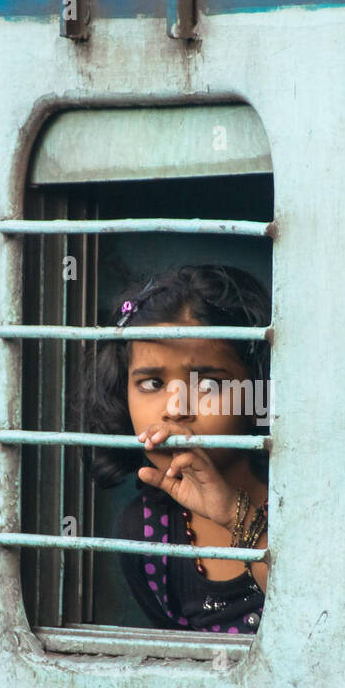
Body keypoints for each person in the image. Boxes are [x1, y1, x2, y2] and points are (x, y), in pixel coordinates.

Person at [89, 265, 271, 633]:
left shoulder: (304, 504)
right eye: (152, 382)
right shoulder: (146, 535)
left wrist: (235, 516)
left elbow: (322, 615)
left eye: (206, 385)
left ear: (259, 392)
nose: (175, 408)